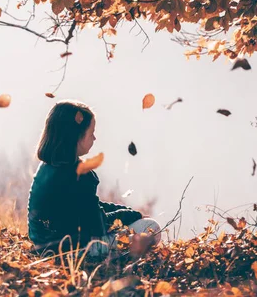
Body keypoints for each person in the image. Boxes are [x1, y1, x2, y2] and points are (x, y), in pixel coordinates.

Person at [27, 100, 161, 257]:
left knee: (134, 224)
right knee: (151, 227)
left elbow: (91, 207)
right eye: (91, 133)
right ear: (76, 136)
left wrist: (129, 213)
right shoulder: (79, 175)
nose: (95, 138)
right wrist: (134, 216)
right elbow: (99, 224)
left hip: (43, 246)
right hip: (73, 252)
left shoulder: (47, 166)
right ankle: (121, 260)